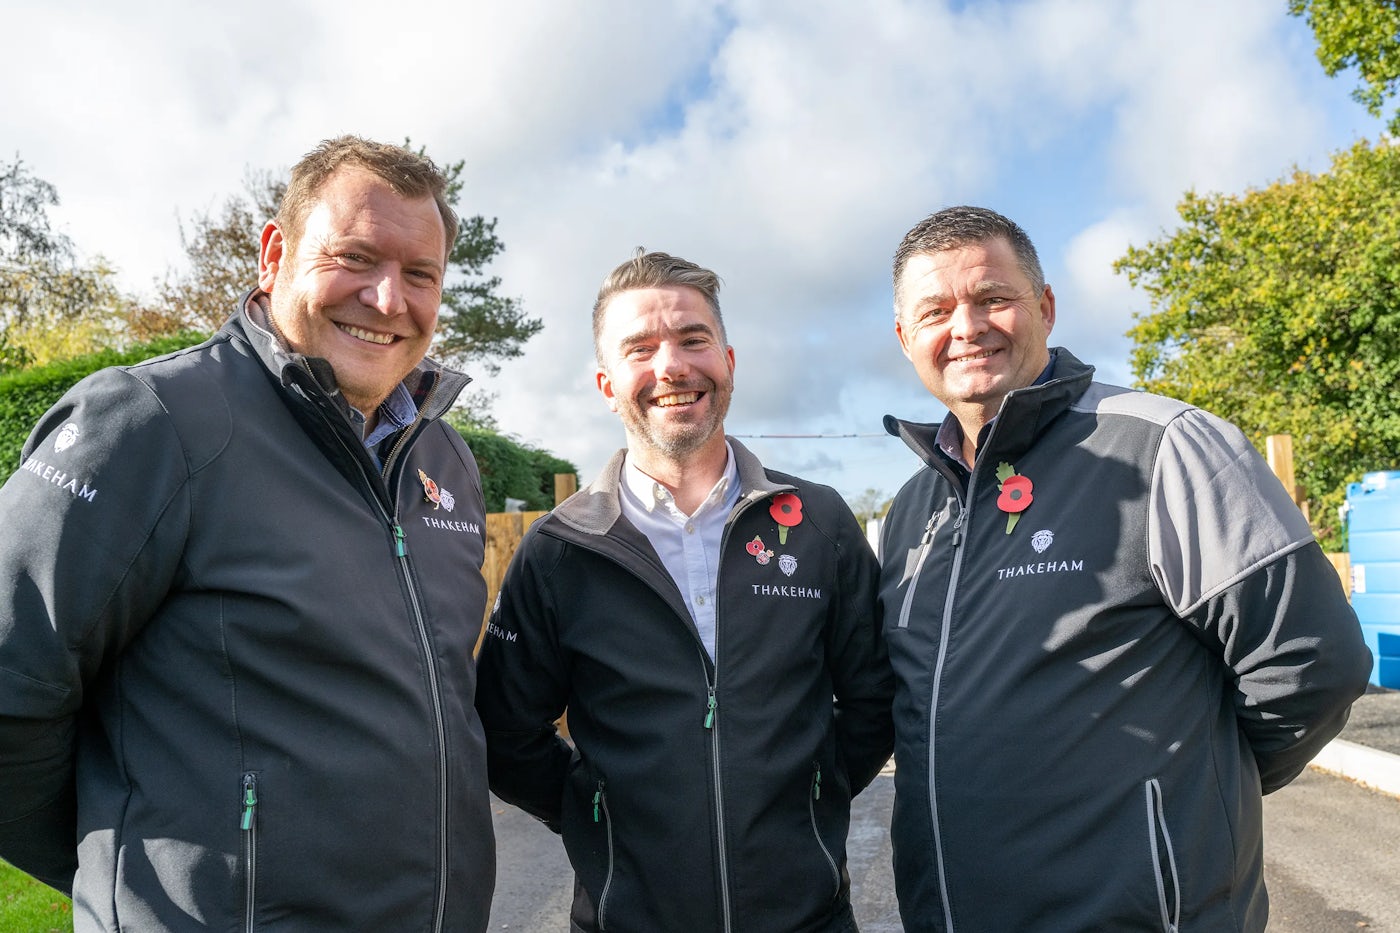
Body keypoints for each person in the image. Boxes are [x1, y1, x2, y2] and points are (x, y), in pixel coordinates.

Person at [0, 136, 496, 931]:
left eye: (420, 274)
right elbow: (11, 683)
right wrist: (116, 868)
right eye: (355, 257)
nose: (386, 298)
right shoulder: (151, 423)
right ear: (274, 254)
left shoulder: (446, 461)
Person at [877, 205, 1372, 932]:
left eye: (993, 298)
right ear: (905, 337)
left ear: (1045, 307)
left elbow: (1311, 662)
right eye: (935, 311)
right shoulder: (912, 510)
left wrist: (1188, 802)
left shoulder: (1169, 446)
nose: (967, 327)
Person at [475, 249, 895, 932]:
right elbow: (507, 733)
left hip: (810, 919)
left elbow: (873, 701)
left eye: (693, 339)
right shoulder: (559, 550)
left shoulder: (820, 523)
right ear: (607, 384)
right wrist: (600, 817)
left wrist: (808, 798)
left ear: (728, 360)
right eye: (640, 348)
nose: (671, 365)